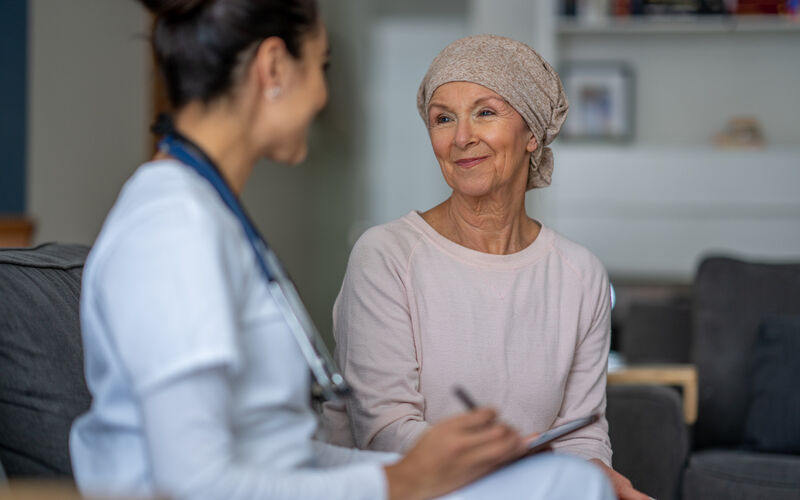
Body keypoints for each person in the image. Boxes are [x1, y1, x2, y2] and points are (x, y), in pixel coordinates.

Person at [69, 2, 615, 500]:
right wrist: (402, 478)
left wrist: (435, 469)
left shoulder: (209, 216)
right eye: (321, 68)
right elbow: (192, 483)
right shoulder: (174, 228)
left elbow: (278, 454)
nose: (323, 98)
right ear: (274, 68)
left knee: (572, 482)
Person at [322, 35, 649, 500]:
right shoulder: (386, 255)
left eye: (485, 112)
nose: (460, 137)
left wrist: (595, 475)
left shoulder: (581, 273)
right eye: (443, 118)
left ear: (532, 132)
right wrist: (516, 471)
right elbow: (385, 432)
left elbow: (581, 434)